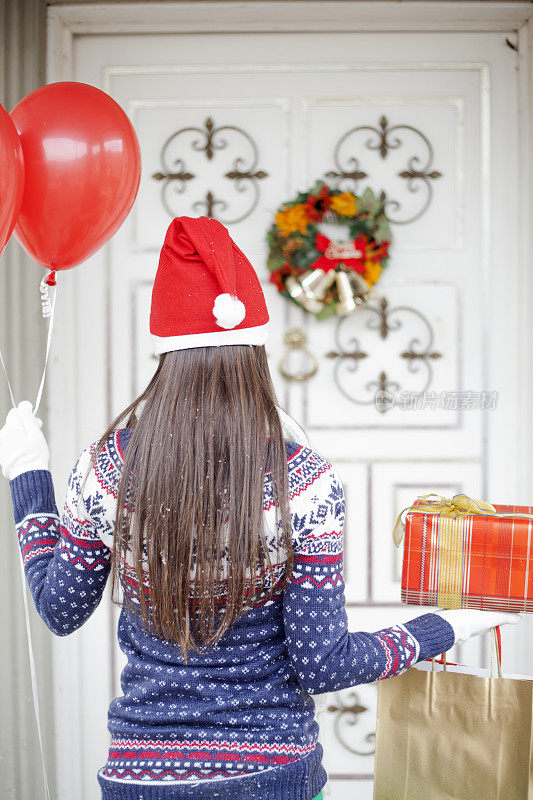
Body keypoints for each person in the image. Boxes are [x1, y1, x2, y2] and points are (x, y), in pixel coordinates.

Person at [0, 216, 520, 800]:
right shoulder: (304, 482)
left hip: (139, 780)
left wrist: (28, 476)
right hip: (274, 776)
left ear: (165, 356)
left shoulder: (104, 470)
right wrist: (454, 622)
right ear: (256, 352)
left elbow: (61, 609)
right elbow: (324, 665)